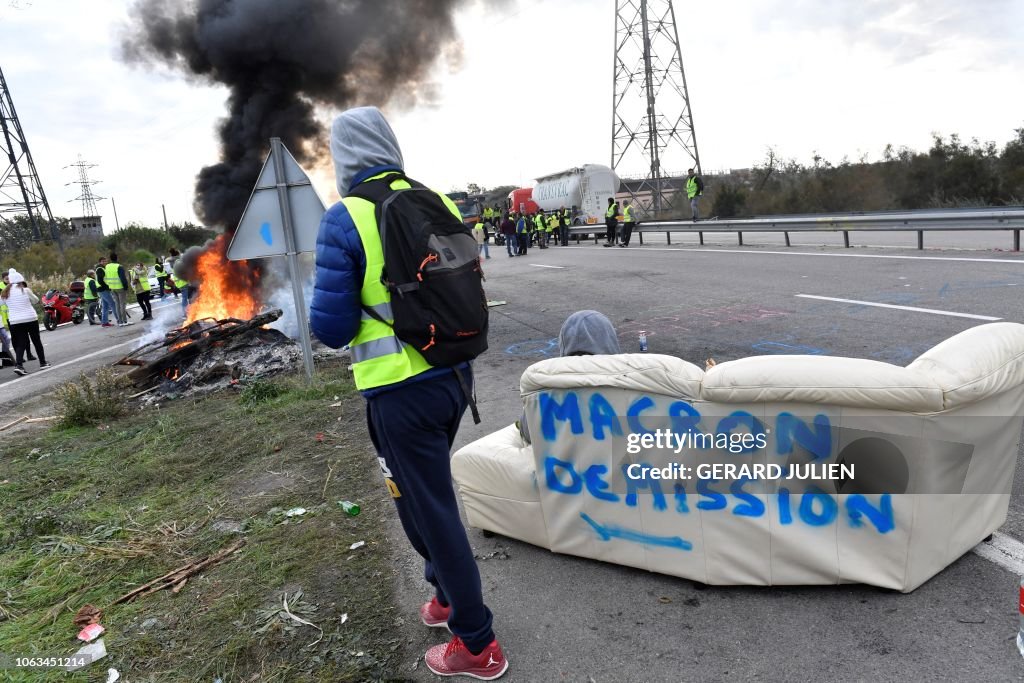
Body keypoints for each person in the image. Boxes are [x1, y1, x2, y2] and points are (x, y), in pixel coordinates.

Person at [310, 106, 507, 679]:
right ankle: (444, 595)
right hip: (454, 376)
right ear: (390, 146)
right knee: (416, 496)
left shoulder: (345, 217)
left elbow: (331, 328)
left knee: (429, 505)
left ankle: (477, 643)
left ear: (342, 156)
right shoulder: (438, 201)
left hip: (399, 390)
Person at [517, 310, 621, 444]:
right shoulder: (629, 382)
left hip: (561, 463)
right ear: (609, 340)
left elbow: (527, 432)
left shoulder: (545, 386)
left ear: (564, 341)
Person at [2, 269, 49, 375]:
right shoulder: (25, 290)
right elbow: (36, 300)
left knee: (20, 343)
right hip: (30, 319)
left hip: (15, 321)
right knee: (36, 340)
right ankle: (43, 363)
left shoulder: (5, 293)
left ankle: (19, 365)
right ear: (20, 280)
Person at [105, 252, 132, 327]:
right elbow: (123, 278)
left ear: (110, 258)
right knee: (122, 304)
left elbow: (106, 276)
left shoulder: (107, 266)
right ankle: (125, 321)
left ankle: (120, 322)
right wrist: (126, 287)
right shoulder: (119, 266)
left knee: (117, 305)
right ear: (117, 258)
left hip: (112, 287)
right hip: (120, 287)